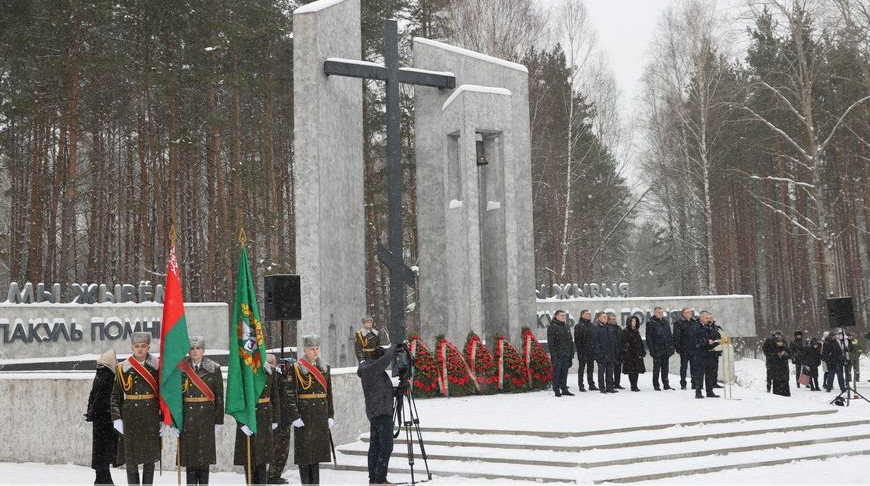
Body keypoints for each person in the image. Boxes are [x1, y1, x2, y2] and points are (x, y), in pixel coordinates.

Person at [111, 332, 161, 485]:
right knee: (131, 459)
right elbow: (115, 396)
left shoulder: (157, 366)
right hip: (130, 417)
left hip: (150, 416)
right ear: (132, 347)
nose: (140, 349)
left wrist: (163, 418)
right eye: (137, 346)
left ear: (148, 347)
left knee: (149, 460)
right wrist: (117, 418)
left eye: (143, 346)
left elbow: (164, 394)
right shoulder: (122, 368)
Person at [286, 335, 335, 485]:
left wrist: (330, 415)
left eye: (317, 348)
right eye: (312, 349)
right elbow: (289, 393)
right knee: (305, 455)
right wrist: (295, 416)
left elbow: (329, 394)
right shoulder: (296, 367)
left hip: (320, 415)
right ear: (305, 349)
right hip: (304, 416)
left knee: (316, 455)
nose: (315, 351)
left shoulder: (324, 367)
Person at [177, 336, 224, 485]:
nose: (195, 351)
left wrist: (219, 419)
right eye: (192, 348)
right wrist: (174, 420)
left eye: (198, 348)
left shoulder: (214, 368)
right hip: (187, 417)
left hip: (206, 417)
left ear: (203, 350)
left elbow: (219, 396)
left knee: (204, 460)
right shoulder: (182, 368)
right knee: (190, 459)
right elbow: (176, 396)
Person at [233, 353, 280, 485]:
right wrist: (240, 422)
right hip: (248, 417)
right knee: (249, 461)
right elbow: (236, 400)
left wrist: (275, 418)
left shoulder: (270, 371)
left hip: (264, 418)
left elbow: (274, 395)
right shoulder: (243, 372)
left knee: (262, 461)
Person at [357, 340, 398, 485]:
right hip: (380, 413)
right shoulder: (369, 370)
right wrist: (394, 347)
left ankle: (374, 479)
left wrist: (397, 391)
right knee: (386, 445)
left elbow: (381, 391)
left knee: (376, 446)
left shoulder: (375, 372)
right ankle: (380, 480)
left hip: (380, 411)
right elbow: (385, 361)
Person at [86, 349, 121, 486]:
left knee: (100, 451)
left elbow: (93, 396)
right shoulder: (107, 376)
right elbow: (101, 398)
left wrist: (91, 413)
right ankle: (103, 480)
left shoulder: (100, 374)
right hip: (105, 419)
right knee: (104, 451)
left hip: (100, 420)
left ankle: (101, 479)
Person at [269, 355, 293, 485]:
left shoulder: (279, 377)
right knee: (278, 449)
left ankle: (275, 474)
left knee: (282, 449)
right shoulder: (275, 378)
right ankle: (272, 475)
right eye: (272, 363)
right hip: (277, 420)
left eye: (275, 362)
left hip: (284, 418)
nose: (276, 365)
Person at [692, 311, 720, 399]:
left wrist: (716, 341)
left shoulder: (710, 326)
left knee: (710, 373)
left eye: (709, 318)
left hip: (711, 353)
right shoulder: (695, 326)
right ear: (701, 318)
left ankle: (709, 391)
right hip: (700, 354)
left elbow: (716, 336)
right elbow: (693, 340)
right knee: (700, 374)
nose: (709, 320)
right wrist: (706, 342)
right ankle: (698, 391)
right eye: (706, 318)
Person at [645, 307, 675, 391]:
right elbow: (649, 338)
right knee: (656, 369)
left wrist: (671, 348)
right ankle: (656, 385)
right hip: (657, 350)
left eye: (661, 312)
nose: (660, 314)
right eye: (658, 312)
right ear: (654, 313)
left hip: (666, 350)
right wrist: (652, 350)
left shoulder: (665, 323)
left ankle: (666, 384)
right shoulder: (650, 323)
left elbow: (669, 336)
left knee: (665, 368)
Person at [547, 310, 574, 397]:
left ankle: (564, 389)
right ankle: (556, 389)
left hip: (566, 354)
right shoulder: (552, 327)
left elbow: (570, 341)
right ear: (556, 316)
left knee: (564, 373)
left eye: (564, 315)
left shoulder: (566, 326)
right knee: (557, 373)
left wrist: (571, 353)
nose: (563, 317)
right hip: (558, 355)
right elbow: (551, 343)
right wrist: (554, 356)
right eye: (561, 315)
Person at [593, 311, 619, 393]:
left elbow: (614, 341)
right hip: (602, 355)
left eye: (606, 317)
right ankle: (602, 388)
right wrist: (599, 354)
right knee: (601, 372)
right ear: (599, 318)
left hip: (610, 354)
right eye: (603, 317)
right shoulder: (596, 328)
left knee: (610, 372)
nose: (605, 318)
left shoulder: (609, 327)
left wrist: (614, 352)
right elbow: (595, 343)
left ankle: (609, 387)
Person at [573, 310, 597, 392]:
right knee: (581, 369)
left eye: (589, 314)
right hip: (583, 352)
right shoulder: (578, 326)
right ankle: (581, 385)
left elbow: (594, 339)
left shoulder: (592, 326)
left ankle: (591, 384)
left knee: (590, 368)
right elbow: (577, 341)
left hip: (591, 351)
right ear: (582, 315)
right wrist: (580, 351)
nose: (589, 315)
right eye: (587, 314)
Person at [672, 308, 697, 390]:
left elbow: (698, 335)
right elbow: (676, 337)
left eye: (690, 312)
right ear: (683, 314)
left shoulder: (695, 323)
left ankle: (694, 383)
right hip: (684, 349)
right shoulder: (679, 323)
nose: (689, 313)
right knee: (684, 367)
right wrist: (679, 348)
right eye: (687, 312)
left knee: (694, 367)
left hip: (694, 349)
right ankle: (683, 383)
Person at [621, 315, 646, 392]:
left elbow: (640, 342)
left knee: (636, 370)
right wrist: (627, 351)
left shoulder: (636, 331)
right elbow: (624, 343)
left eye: (635, 321)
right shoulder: (625, 331)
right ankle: (633, 385)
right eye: (632, 321)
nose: (634, 323)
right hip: (630, 354)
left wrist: (642, 351)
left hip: (637, 354)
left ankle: (635, 385)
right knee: (631, 371)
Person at [608, 313, 625, 390]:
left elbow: (622, 339)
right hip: (611, 352)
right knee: (610, 369)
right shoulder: (607, 328)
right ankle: (610, 383)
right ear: (609, 320)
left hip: (619, 352)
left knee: (618, 369)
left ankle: (617, 384)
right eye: (612, 319)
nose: (614, 321)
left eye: (615, 319)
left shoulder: (619, 328)